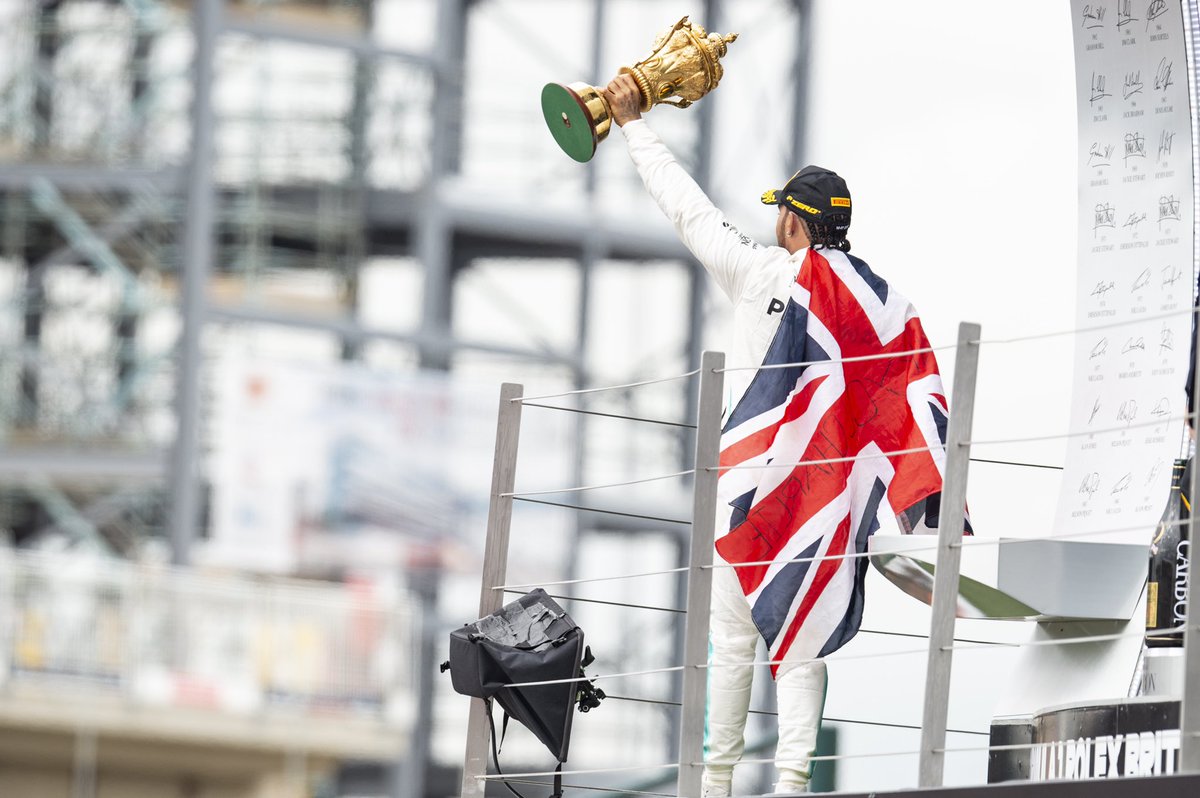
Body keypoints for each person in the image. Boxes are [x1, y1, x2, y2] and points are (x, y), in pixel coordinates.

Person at [603, 72, 956, 796]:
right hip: (826, 495)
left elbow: (688, 210)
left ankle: (717, 785)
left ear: (794, 223)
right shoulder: (887, 304)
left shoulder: (760, 273)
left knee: (732, 640)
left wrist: (635, 125)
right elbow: (914, 398)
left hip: (751, 487)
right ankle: (793, 783)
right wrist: (925, 504)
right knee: (804, 639)